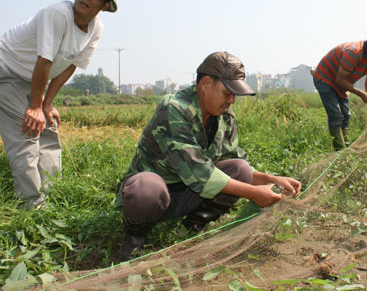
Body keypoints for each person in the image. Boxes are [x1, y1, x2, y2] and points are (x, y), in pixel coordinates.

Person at [115, 51, 302, 261]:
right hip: (157, 194)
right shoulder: (174, 108)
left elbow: (234, 162)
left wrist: (270, 179)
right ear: (205, 83)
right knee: (146, 188)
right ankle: (135, 238)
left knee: (240, 168)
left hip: (190, 194)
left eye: (235, 95)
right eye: (227, 92)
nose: (231, 100)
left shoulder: (224, 116)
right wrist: (254, 193)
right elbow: (198, 172)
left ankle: (193, 226)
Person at [0, 0, 118, 209]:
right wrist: (35, 107)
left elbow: (70, 65)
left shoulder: (96, 28)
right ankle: (33, 208)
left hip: (32, 76)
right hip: (8, 71)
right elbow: (44, 61)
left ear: (105, 5)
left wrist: (47, 104)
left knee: (48, 128)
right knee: (29, 131)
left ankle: (54, 195)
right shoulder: (58, 14)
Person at [312, 28, 367, 150]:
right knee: (336, 116)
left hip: (342, 84)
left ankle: (346, 147)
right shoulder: (354, 52)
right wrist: (361, 94)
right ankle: (339, 152)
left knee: (346, 116)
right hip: (325, 78)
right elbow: (340, 80)